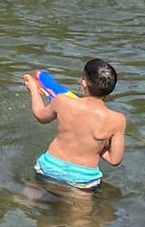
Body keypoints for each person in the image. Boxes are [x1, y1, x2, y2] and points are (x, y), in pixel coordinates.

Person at [23, 60, 126, 191]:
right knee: (79, 212)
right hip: (82, 177)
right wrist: (96, 144)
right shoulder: (117, 120)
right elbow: (114, 160)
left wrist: (33, 90)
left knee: (26, 204)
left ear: (83, 83)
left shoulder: (62, 101)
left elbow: (40, 116)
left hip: (50, 166)